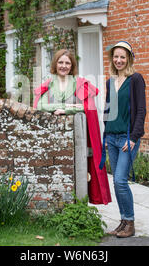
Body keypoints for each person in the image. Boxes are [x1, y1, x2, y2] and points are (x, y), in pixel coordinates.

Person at [34, 49, 111, 205]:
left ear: (72, 65)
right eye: (60, 62)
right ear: (55, 64)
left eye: (67, 63)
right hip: (54, 138)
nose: (64, 66)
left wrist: (66, 109)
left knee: (79, 172)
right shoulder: (49, 83)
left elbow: (86, 106)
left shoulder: (79, 83)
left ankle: (80, 206)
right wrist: (65, 105)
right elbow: (40, 105)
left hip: (77, 138)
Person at [100, 41, 146, 238]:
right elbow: (109, 109)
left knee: (120, 180)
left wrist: (134, 137)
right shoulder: (111, 81)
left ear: (129, 58)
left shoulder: (136, 79)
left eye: (122, 57)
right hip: (111, 138)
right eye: (116, 57)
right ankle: (123, 221)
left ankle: (130, 222)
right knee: (117, 182)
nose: (119, 60)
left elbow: (141, 110)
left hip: (127, 139)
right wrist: (105, 131)